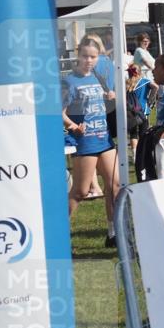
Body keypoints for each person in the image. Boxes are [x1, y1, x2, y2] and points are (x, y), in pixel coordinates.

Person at [62, 36, 120, 246]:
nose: (89, 60)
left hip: (103, 137)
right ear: (78, 55)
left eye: (93, 57)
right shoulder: (69, 80)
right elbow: (59, 111)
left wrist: (108, 95)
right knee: (80, 191)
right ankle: (57, 230)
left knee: (115, 186)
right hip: (85, 141)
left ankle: (113, 233)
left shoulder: (98, 77)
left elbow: (101, 100)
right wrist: (73, 126)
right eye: (85, 56)